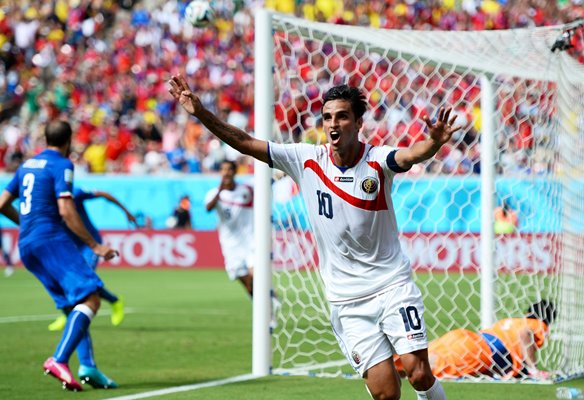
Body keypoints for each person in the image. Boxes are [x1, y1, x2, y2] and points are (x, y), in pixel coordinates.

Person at [169, 76, 460, 399]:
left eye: (342, 116)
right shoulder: (305, 158)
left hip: (392, 285)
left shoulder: (377, 160)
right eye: (327, 117)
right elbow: (245, 141)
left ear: (358, 123)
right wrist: (201, 113)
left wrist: (433, 144)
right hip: (346, 301)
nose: (333, 123)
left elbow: (410, 155)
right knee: (386, 395)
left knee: (418, 374)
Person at [0, 120, 119, 391]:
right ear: (69, 141)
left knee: (74, 307)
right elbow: (65, 208)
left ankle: (88, 367)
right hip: (51, 239)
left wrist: (26, 224)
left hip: (27, 246)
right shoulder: (62, 164)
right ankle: (59, 360)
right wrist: (94, 245)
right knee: (91, 299)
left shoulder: (27, 165)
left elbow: (0, 204)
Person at [47, 187, 138, 332]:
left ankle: (114, 301)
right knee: (65, 278)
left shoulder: (73, 193)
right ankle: (69, 313)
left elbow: (105, 194)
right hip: (70, 246)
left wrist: (126, 212)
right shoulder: (46, 200)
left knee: (84, 278)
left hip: (90, 243)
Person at [394, 300, 556, 381]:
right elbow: (525, 334)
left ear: (528, 313)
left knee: (412, 358)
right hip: (478, 351)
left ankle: (378, 366)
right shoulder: (538, 325)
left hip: (466, 338)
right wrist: (533, 370)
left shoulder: (511, 320)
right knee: (425, 367)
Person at [205, 160, 280, 325]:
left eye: (229, 170)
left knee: (256, 276)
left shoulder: (246, 189)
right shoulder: (213, 194)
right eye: (223, 169)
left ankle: (268, 314)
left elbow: (269, 181)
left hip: (253, 241)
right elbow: (208, 208)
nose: (226, 173)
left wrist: (282, 173)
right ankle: (268, 297)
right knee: (248, 284)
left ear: (234, 172)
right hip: (231, 246)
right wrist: (220, 190)